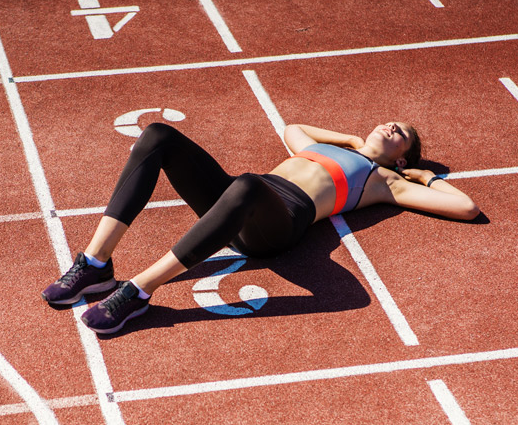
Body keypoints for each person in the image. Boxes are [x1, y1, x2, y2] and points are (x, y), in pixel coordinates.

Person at [41, 122, 479, 334]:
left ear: (402, 157)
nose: (390, 124)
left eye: (400, 132)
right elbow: (293, 128)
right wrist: (348, 140)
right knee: (157, 135)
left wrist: (425, 176)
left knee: (248, 183)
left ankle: (137, 292)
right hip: (235, 201)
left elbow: (465, 207)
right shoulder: (322, 146)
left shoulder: (387, 181)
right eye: (390, 120)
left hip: (277, 224)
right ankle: (95, 263)